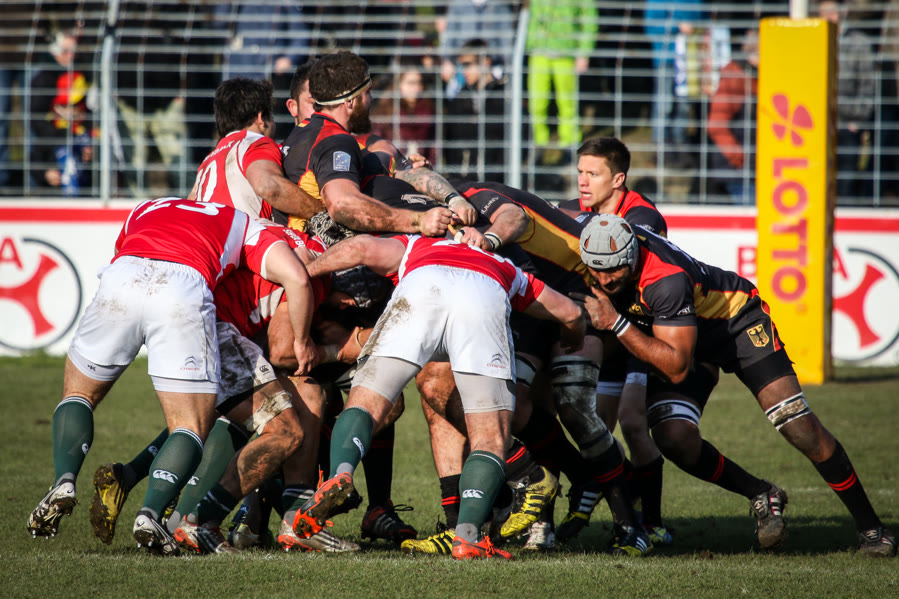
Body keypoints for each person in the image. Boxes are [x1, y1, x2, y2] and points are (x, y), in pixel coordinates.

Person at [578, 214, 897, 557]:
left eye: (613, 270)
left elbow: (676, 366)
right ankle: (761, 494)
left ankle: (873, 530)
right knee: (673, 438)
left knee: (797, 423)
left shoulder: (665, 280)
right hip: (684, 337)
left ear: (631, 256)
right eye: (597, 270)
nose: (604, 279)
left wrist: (616, 323)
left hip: (735, 324)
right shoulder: (591, 250)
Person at [26, 197, 317, 556]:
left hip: (123, 276)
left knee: (78, 395)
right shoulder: (243, 222)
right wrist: (303, 341)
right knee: (190, 425)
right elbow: (297, 277)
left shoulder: (149, 206)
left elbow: (121, 250)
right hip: (184, 287)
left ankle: (64, 480)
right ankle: (151, 514)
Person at [292, 233, 586, 560]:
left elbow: (359, 247)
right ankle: (468, 536)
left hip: (422, 287)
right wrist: (573, 337)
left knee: (365, 403)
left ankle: (340, 474)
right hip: (483, 296)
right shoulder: (507, 267)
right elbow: (571, 313)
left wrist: (305, 271)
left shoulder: (418, 244)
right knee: (490, 438)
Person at [281, 51, 456, 239]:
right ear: (349, 101)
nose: (371, 99)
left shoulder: (302, 131)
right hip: (311, 245)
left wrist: (404, 173)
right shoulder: (335, 140)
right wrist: (417, 220)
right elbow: (342, 204)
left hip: (295, 239)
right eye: (367, 93)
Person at [187, 77, 322, 221]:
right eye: (271, 116)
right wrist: (321, 213)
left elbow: (191, 202)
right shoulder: (254, 142)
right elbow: (269, 187)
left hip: (207, 232)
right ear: (260, 118)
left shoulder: (209, 161)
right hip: (241, 233)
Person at [818, 0, 877, 202]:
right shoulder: (813, 41)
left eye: (831, 11)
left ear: (842, 12)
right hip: (818, 123)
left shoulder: (859, 43)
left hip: (848, 124)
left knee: (846, 181)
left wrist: (858, 120)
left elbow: (868, 86)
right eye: (823, 12)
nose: (827, 16)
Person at [525, 0, 597, 161]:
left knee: (567, 103)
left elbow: (589, 18)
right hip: (538, 51)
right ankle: (538, 144)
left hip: (566, 52)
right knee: (536, 103)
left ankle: (569, 145)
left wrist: (584, 52)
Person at [28, 31, 92, 195]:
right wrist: (45, 172)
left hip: (81, 141)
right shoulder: (43, 80)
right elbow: (37, 122)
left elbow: (92, 115)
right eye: (65, 51)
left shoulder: (84, 75)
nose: (71, 56)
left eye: (74, 51)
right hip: (54, 146)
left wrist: (90, 145)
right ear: (54, 52)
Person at [443, 39, 507, 183]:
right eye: (462, 66)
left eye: (468, 65)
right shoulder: (459, 99)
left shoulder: (505, 97)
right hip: (464, 184)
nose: (463, 71)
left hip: (499, 183)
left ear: (486, 62)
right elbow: (450, 144)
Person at [707, 30, 758, 205]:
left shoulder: (752, 74)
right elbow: (717, 125)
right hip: (739, 169)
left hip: (750, 167)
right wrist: (739, 158)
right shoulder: (737, 75)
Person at [370, 59, 436, 165]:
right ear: (399, 84)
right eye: (411, 83)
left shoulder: (428, 111)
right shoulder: (384, 112)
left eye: (419, 83)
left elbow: (433, 152)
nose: (417, 88)